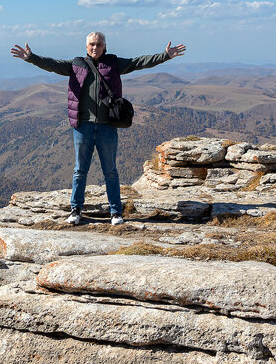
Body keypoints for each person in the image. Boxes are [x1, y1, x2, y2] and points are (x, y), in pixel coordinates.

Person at [11, 32, 186, 226]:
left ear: (105, 46)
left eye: (99, 44)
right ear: (86, 46)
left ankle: (115, 212)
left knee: (110, 171)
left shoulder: (113, 63)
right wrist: (31, 57)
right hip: (82, 126)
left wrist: (165, 55)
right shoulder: (76, 64)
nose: (95, 47)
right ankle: (76, 210)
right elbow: (52, 64)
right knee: (80, 170)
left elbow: (139, 62)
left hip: (107, 126)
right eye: (92, 44)